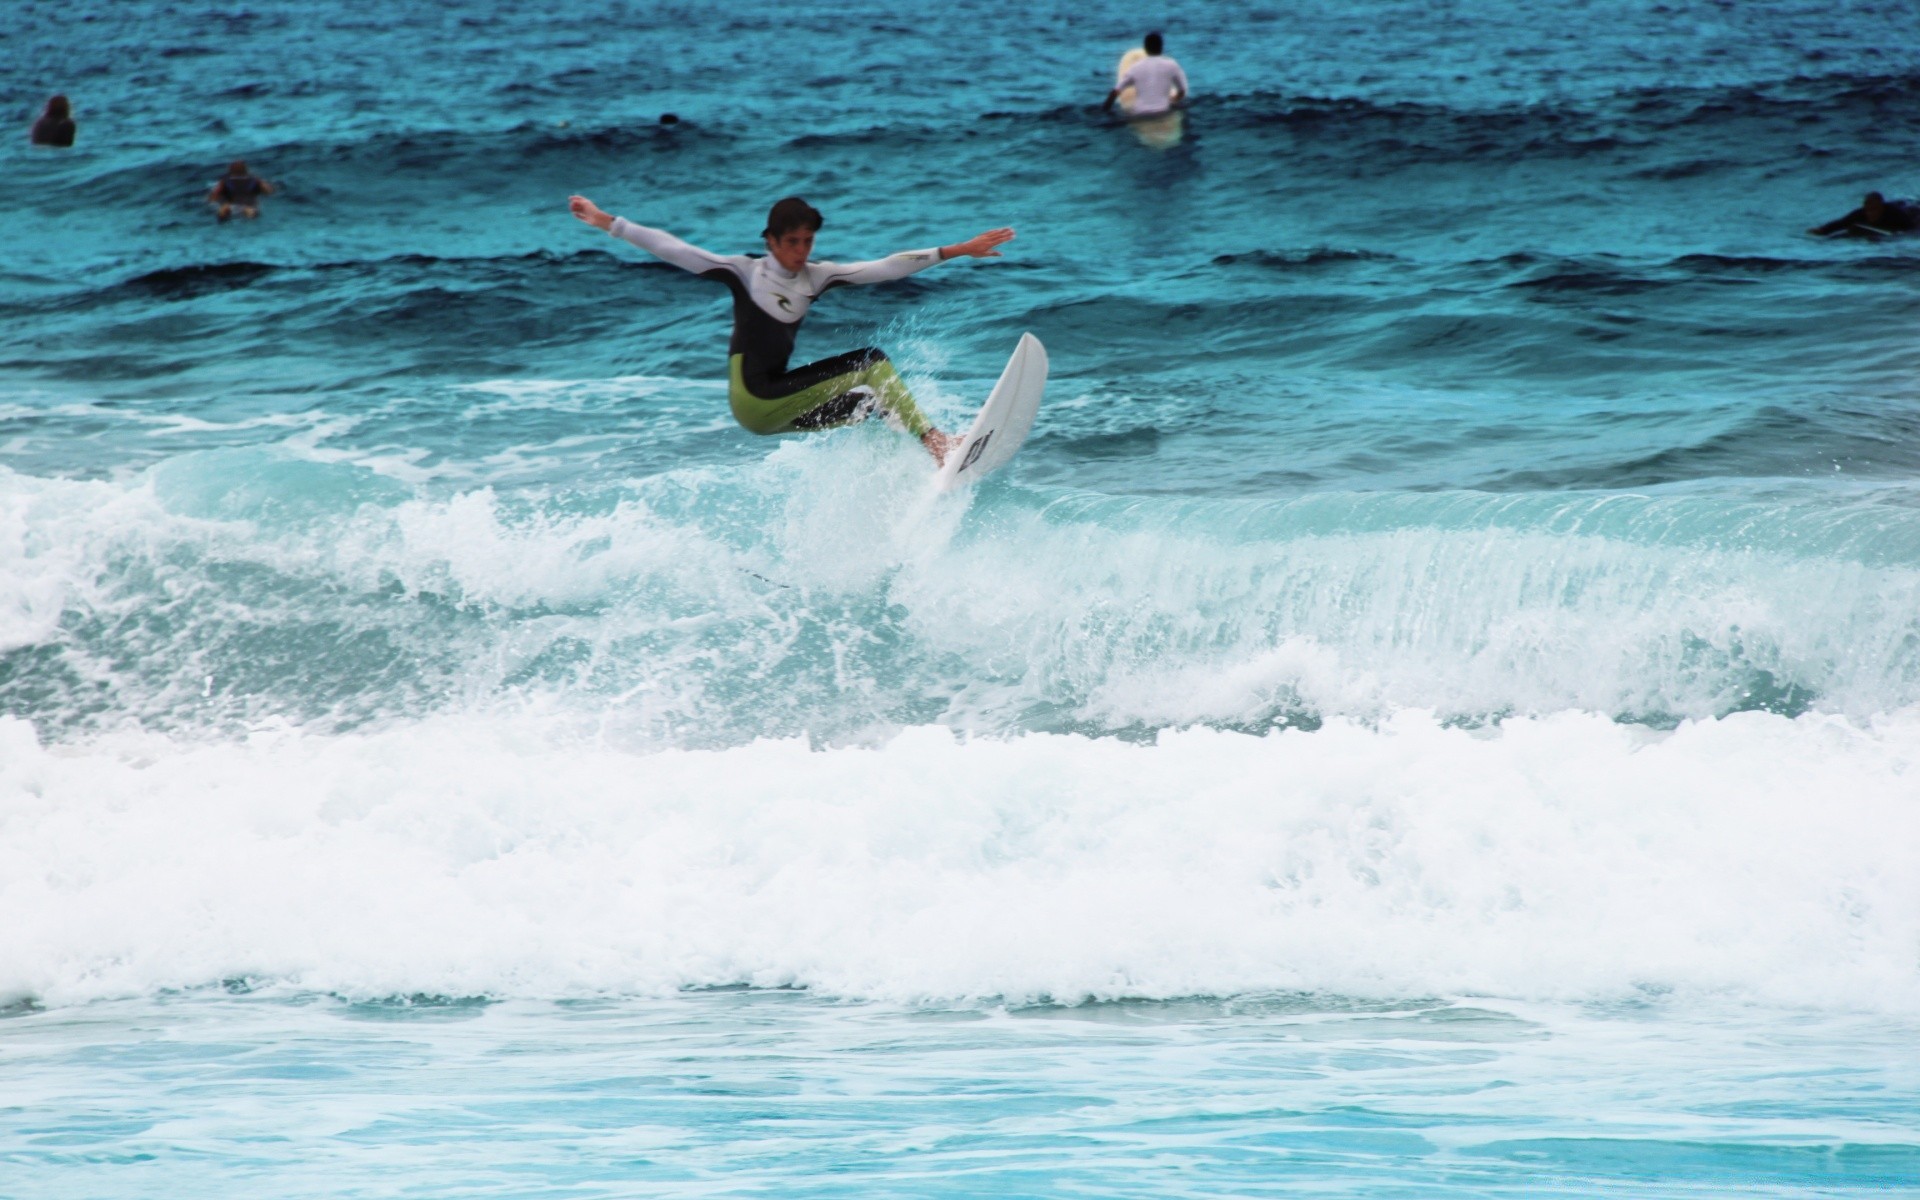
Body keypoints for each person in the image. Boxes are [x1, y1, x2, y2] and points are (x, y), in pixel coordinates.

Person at [568, 193, 1013, 463]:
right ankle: (936, 445)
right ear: (771, 241)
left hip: (771, 411)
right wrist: (608, 221)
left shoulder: (817, 277)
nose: (801, 251)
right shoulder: (743, 272)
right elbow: (673, 248)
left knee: (871, 404)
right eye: (792, 242)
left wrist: (958, 250)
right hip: (755, 396)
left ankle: (917, 474)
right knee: (871, 363)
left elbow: (886, 267)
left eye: (808, 241)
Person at [1105, 32, 1189, 117]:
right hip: (1163, 112)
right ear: (1161, 47)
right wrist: (1173, 100)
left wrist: (1105, 111)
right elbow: (1182, 91)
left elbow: (1115, 92)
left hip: (1139, 114)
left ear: (1145, 48)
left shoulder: (1135, 68)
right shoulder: (1172, 65)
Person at [1808, 191, 1920, 238]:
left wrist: (1898, 234)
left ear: (1881, 207)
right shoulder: (1860, 213)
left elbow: (1910, 228)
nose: (1870, 213)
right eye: (1868, 210)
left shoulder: (1894, 214)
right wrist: (1822, 230)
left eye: (1874, 210)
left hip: (1911, 212)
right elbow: (1842, 223)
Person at [207, 160, 274, 221]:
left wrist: (210, 200)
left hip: (231, 205)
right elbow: (268, 191)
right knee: (250, 210)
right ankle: (249, 212)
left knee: (225, 208)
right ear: (246, 170)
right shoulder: (255, 180)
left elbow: (213, 197)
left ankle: (223, 211)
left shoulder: (225, 181)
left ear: (230, 171)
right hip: (249, 204)